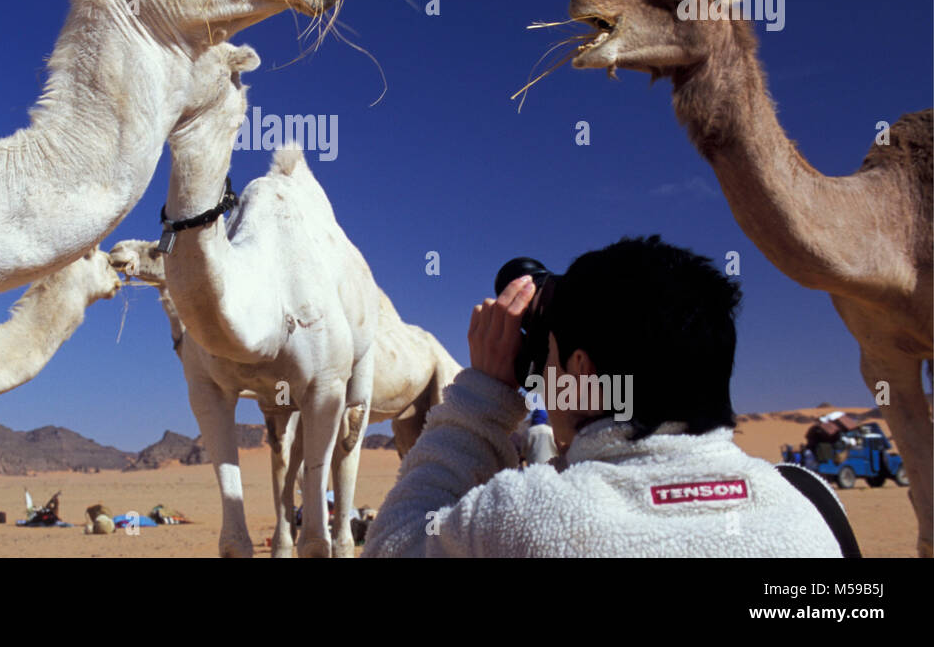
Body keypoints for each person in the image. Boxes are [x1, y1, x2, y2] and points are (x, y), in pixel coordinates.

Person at [362, 236, 845, 558]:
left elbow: (394, 543)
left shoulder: (527, 519)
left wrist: (484, 396)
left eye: (548, 359)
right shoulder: (811, 499)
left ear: (581, 373)